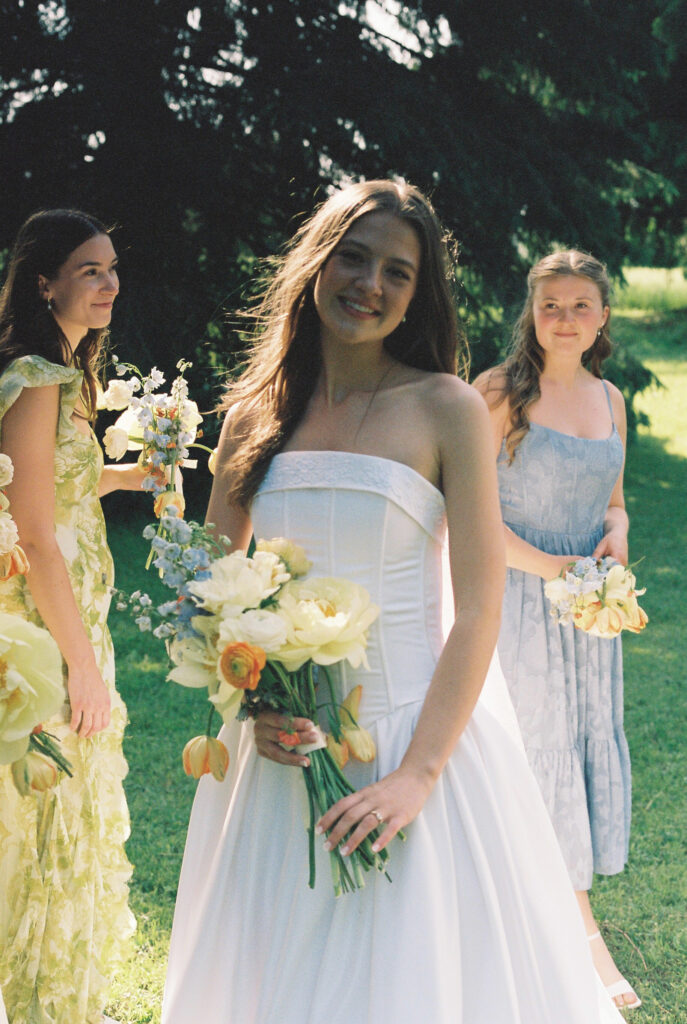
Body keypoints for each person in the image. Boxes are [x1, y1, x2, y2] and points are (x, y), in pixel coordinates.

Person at [162, 181, 623, 1023]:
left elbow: (479, 607)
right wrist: (255, 703)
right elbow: (209, 591)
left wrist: (416, 776)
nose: (369, 283)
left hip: (416, 742)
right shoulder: (250, 419)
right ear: (316, 263)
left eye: (397, 272)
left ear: (419, 294)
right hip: (283, 756)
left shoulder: (445, 406)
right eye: (353, 257)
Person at [474, 250, 639, 1010]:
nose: (565, 319)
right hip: (514, 606)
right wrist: (553, 572)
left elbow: (613, 497)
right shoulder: (499, 394)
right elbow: (466, 515)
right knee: (530, 758)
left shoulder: (611, 399)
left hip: (584, 615)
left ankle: (556, 921)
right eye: (551, 305)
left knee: (572, 751)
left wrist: (616, 535)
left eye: (580, 305)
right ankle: (579, 939)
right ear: (529, 314)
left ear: (602, 316)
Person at [0, 209, 146, 1024]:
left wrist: (121, 479)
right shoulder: (36, 375)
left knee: (62, 817)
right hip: (46, 632)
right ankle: (39, 1004)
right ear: (44, 279)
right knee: (45, 826)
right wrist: (80, 662)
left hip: (69, 627)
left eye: (112, 268)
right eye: (90, 270)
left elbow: (55, 487)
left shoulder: (64, 372)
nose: (109, 284)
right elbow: (34, 533)